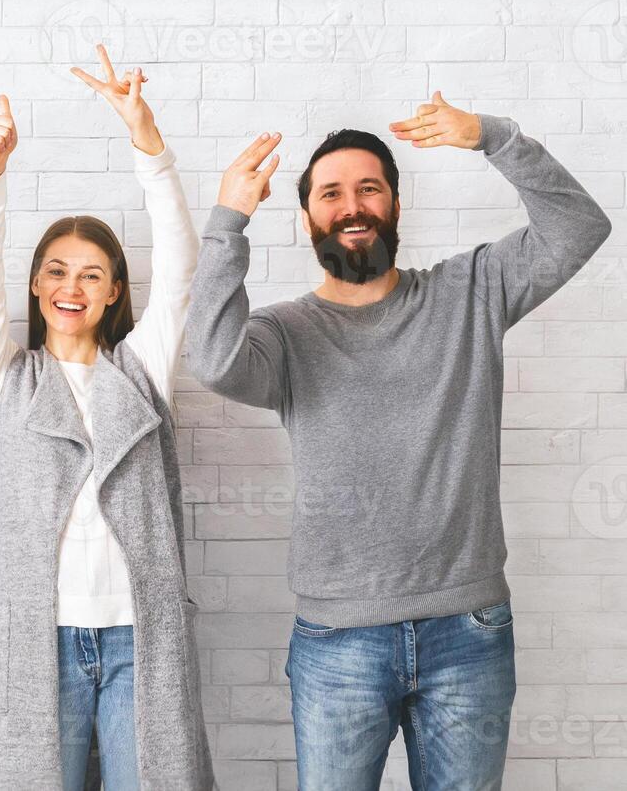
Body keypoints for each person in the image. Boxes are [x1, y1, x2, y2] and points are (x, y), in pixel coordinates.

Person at [184, 94, 613, 790]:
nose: (351, 205)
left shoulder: (470, 292)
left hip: (467, 632)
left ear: (396, 206)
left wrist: (492, 136)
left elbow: (580, 226)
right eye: (331, 193)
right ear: (307, 219)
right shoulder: (284, 334)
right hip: (336, 643)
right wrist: (229, 218)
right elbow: (211, 358)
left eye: (369, 188)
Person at [0, 48, 214, 790]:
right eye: (57, 271)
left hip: (142, 638)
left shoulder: (142, 371)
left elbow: (181, 264)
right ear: (37, 286)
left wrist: (147, 141)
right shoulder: (9, 378)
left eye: (92, 275)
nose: (72, 287)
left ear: (112, 293)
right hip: (38, 639)